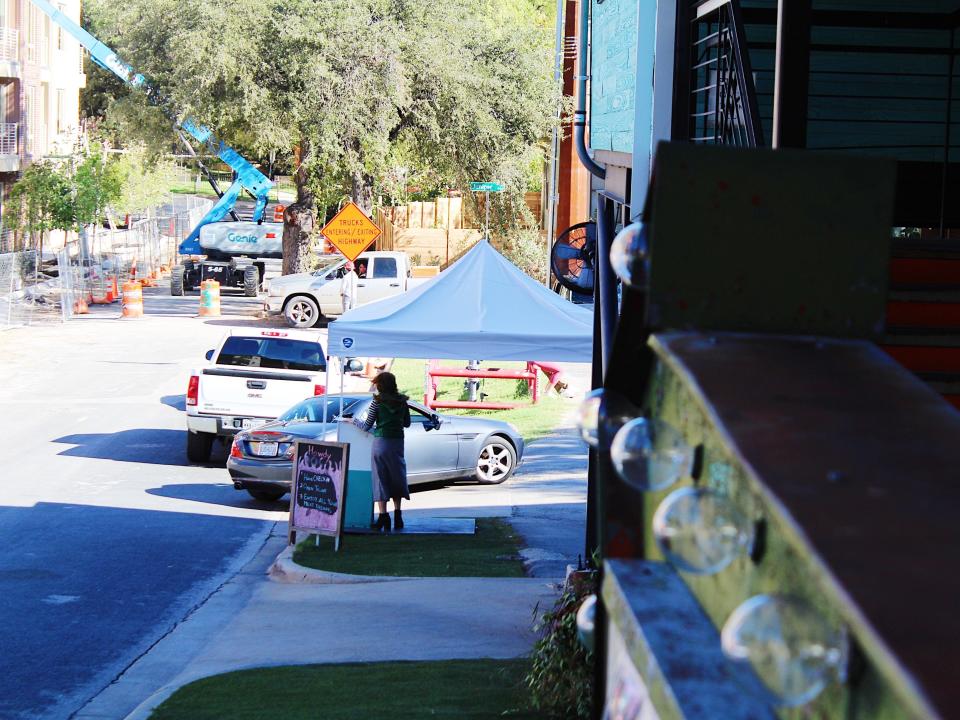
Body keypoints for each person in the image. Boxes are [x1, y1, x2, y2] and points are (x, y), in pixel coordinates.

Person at [353, 372, 411, 531]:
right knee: (397, 477)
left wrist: (352, 421)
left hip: (380, 443)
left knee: (380, 479)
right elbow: (407, 423)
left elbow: (366, 426)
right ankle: (398, 515)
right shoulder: (403, 402)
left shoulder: (376, 403)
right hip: (397, 443)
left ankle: (383, 517)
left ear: (380, 385)